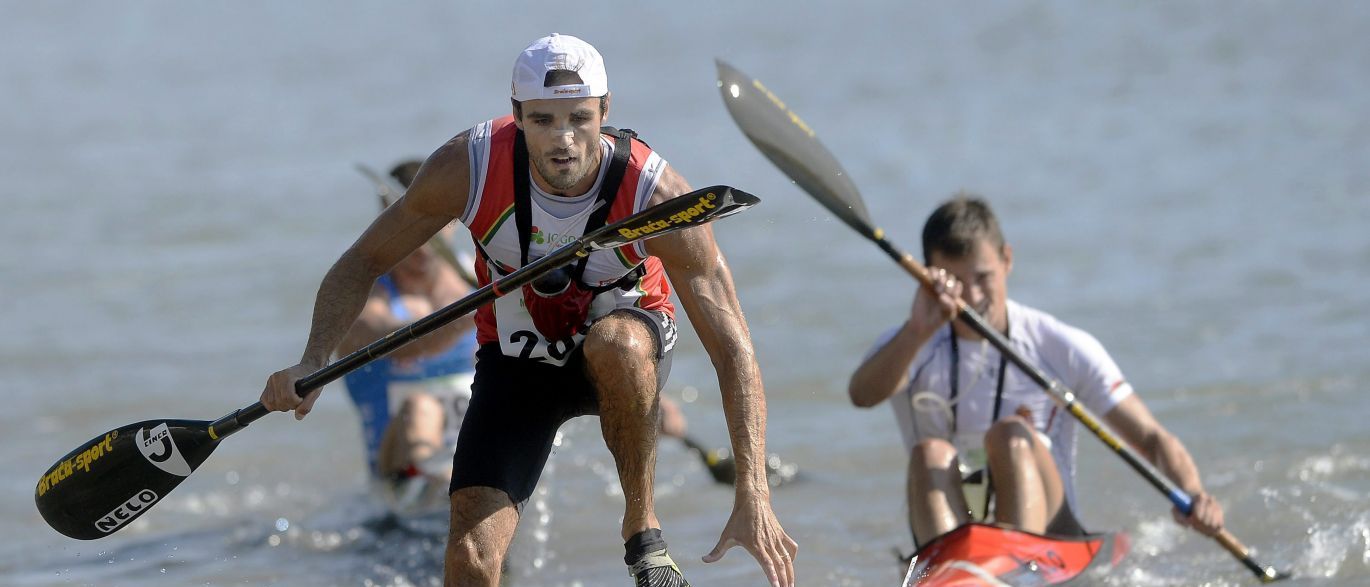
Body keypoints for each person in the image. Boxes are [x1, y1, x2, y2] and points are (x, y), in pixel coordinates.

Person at [260, 34, 796, 587]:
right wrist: (313, 358)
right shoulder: (467, 167)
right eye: (542, 120)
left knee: (616, 343)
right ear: (516, 115)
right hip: (518, 364)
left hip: (628, 347)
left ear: (605, 111)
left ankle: (642, 532)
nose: (563, 140)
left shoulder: (653, 192)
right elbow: (362, 260)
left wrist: (753, 494)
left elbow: (733, 348)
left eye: (580, 119)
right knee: (470, 557)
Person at [847, 196, 1224, 551]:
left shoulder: (1059, 346)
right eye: (956, 282)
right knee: (930, 453)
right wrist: (916, 331)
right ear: (928, 278)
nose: (972, 297)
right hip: (952, 531)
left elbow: (1152, 438)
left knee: (1011, 435)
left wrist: (1194, 493)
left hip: (1051, 532)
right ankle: (955, 569)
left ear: (1007, 260)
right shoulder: (910, 343)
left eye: (983, 277)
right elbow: (861, 396)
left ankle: (1016, 564)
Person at [339, 162, 479, 513]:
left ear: (454, 220)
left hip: (475, 461)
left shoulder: (480, 276)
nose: (421, 244)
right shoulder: (364, 300)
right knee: (421, 406)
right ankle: (436, 484)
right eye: (409, 228)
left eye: (433, 226)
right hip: (396, 486)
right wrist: (475, 312)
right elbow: (410, 342)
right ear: (386, 224)